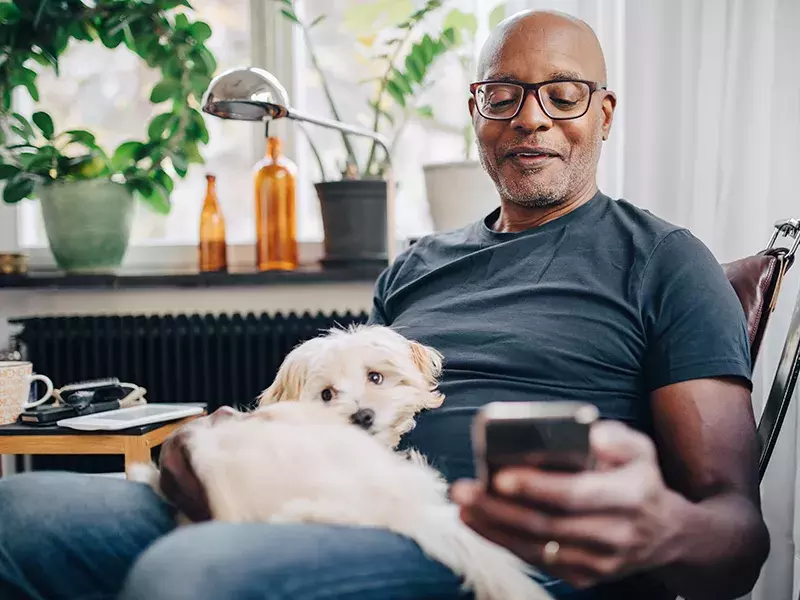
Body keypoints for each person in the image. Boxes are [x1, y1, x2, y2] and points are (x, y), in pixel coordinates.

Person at [0, 9, 768, 600]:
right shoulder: (416, 267)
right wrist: (237, 439)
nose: (531, 117)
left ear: (603, 113)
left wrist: (659, 529)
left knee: (194, 574)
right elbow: (346, 408)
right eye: (504, 94)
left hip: (477, 546)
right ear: (476, 110)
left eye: (563, 96)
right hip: (323, 500)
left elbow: (738, 537)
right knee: (17, 515)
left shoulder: (666, 261)